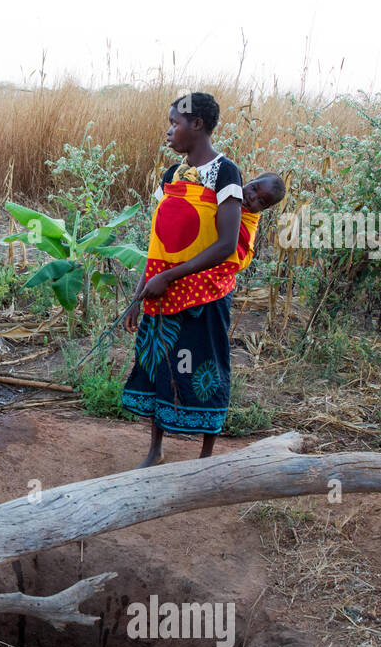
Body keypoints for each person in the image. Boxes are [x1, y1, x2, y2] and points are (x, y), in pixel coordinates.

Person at [120, 92, 284, 466]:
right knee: (162, 364)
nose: (169, 131)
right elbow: (158, 242)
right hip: (163, 288)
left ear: (196, 125)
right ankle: (156, 448)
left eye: (174, 123)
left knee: (205, 366)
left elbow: (227, 245)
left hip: (204, 294)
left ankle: (206, 458)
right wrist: (138, 295)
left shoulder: (226, 173)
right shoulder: (170, 175)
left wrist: (169, 277)